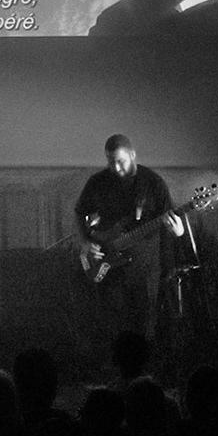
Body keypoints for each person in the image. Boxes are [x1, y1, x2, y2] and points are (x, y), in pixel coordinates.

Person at [75, 134, 186, 340]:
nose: (116, 169)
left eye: (121, 162)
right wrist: (86, 241)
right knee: (112, 328)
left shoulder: (153, 183)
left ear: (133, 155)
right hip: (109, 271)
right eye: (111, 162)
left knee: (144, 329)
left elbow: (171, 223)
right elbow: (80, 212)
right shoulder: (98, 182)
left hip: (145, 271)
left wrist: (179, 232)